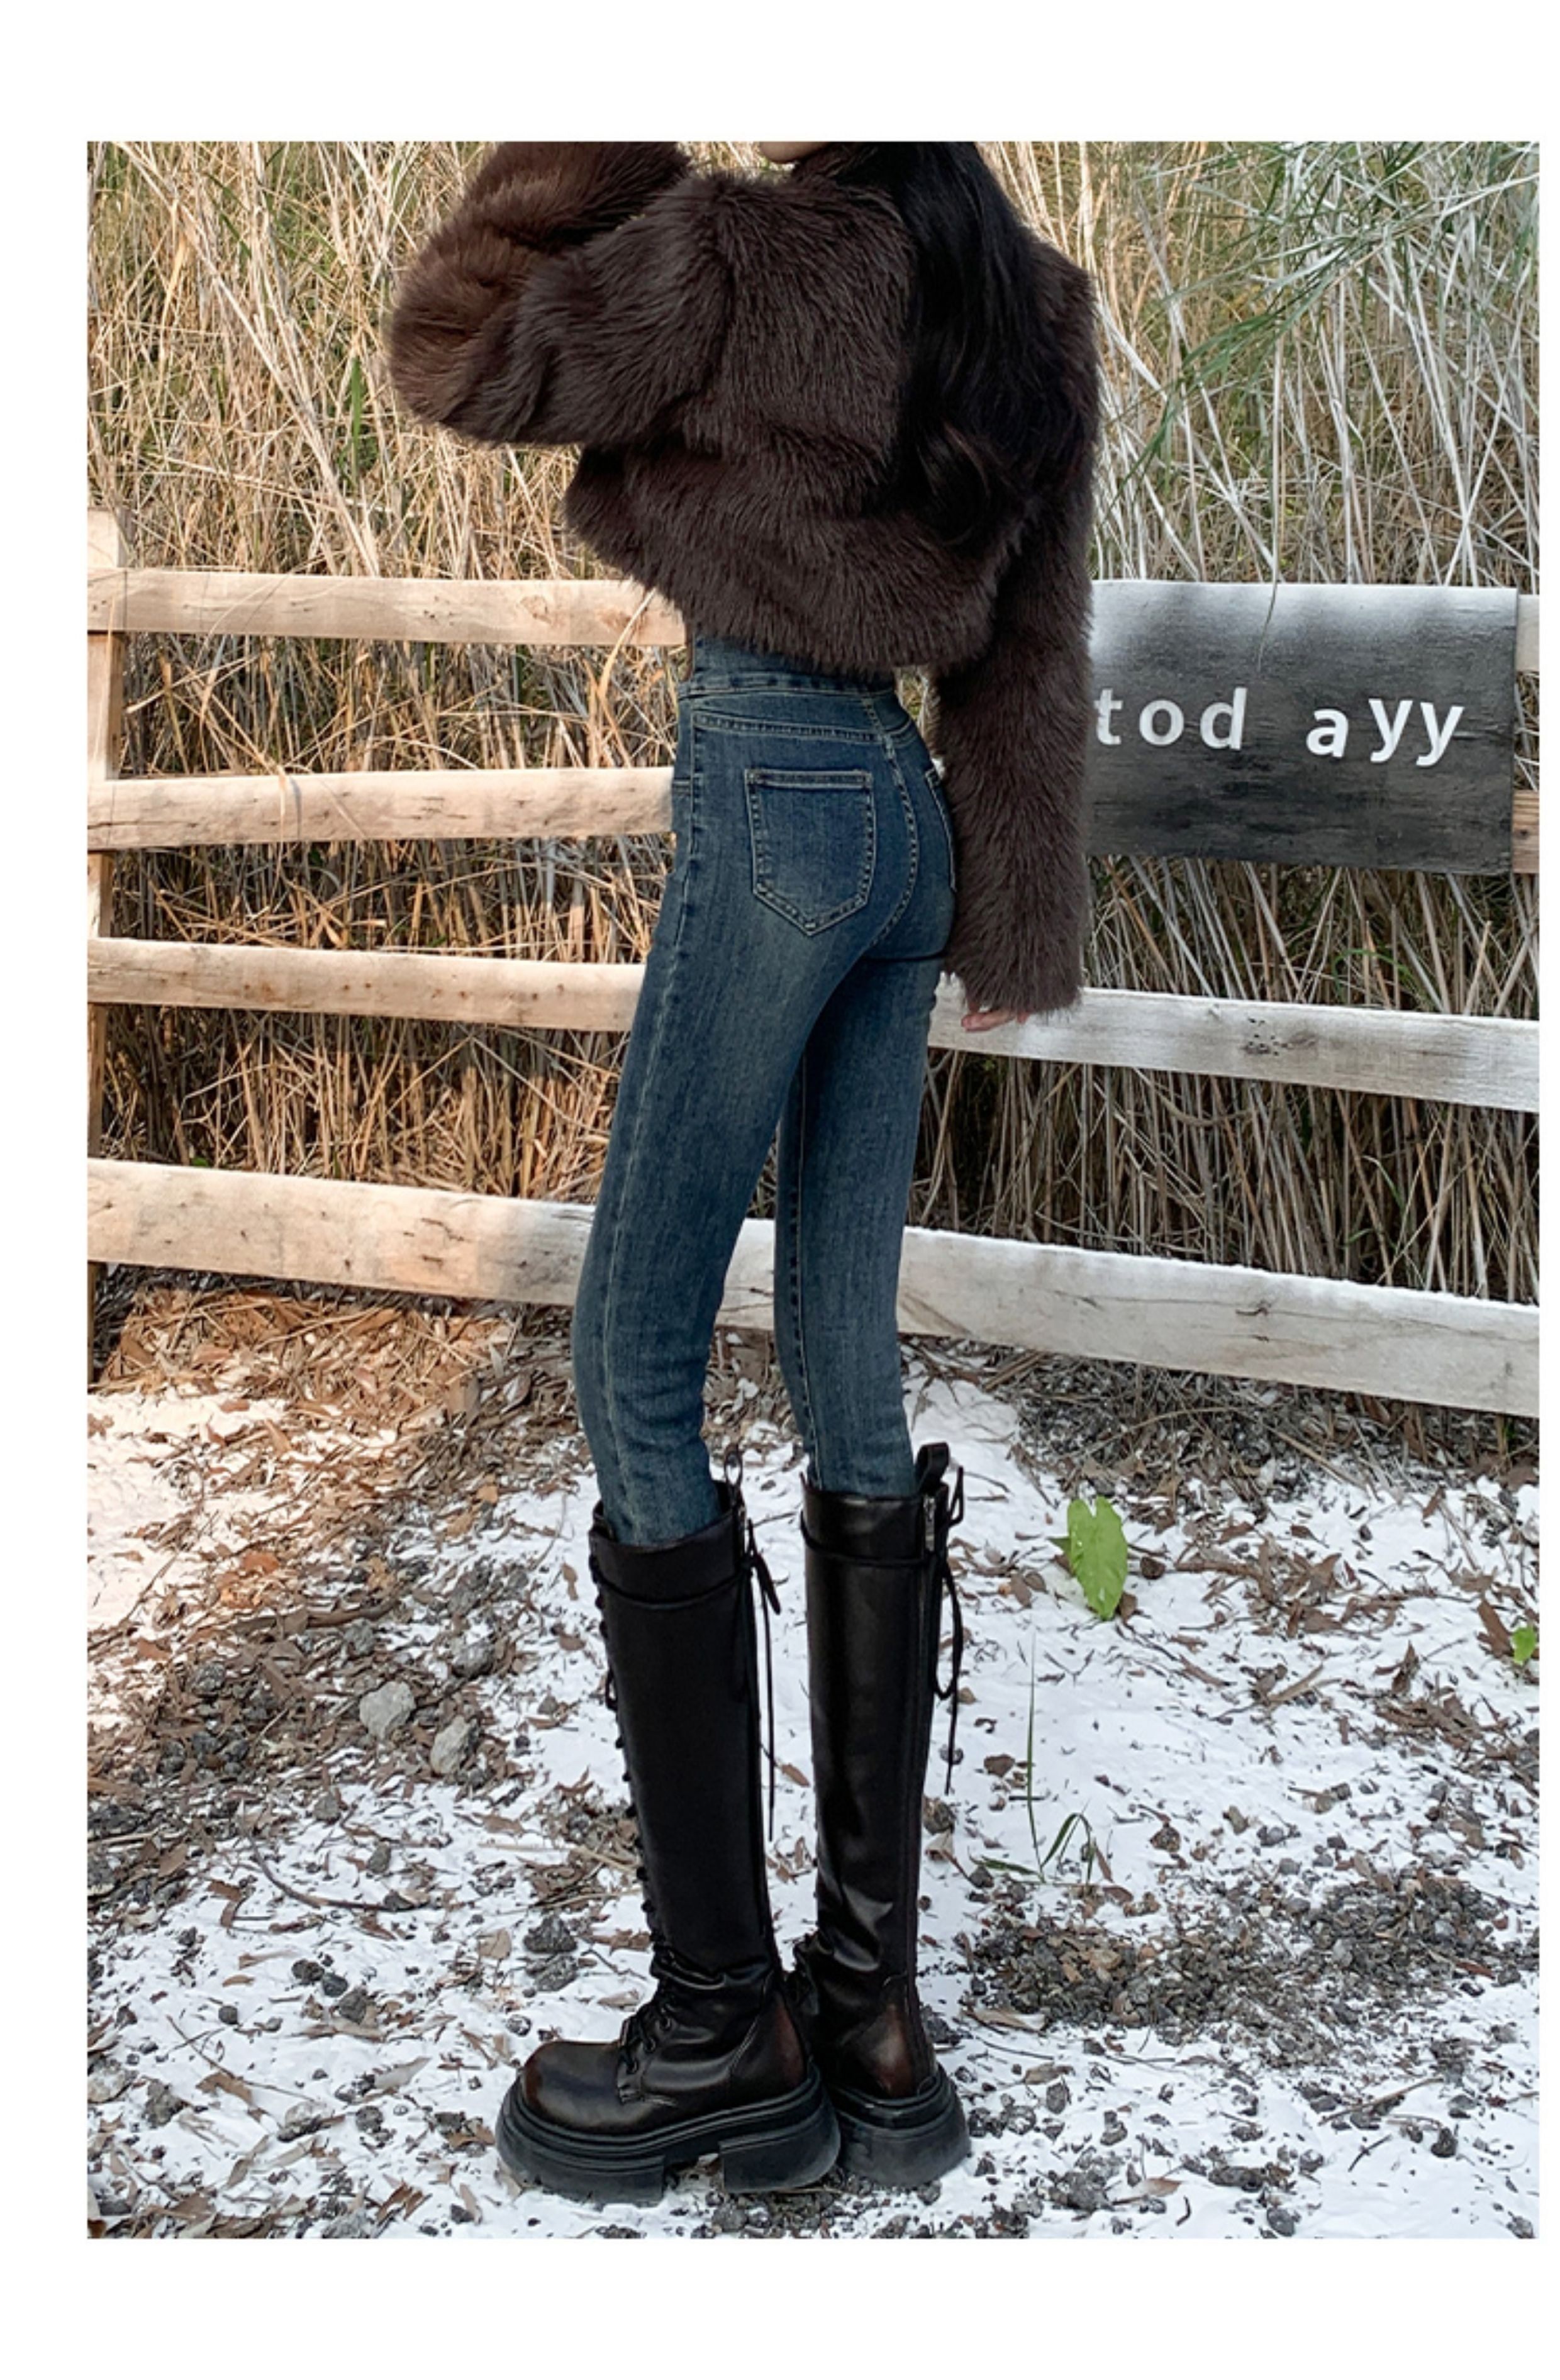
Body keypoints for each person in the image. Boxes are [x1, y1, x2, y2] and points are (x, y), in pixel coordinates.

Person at [386, 138, 1099, 2206]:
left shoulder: (721, 242)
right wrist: (1012, 918)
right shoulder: (1030, 301)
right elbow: (1032, 649)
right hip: (908, 819)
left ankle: (721, 2028)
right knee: (848, 1365)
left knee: (634, 1358)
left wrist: (600, 135)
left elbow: (450, 355)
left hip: (774, 778)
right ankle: (868, 2021)